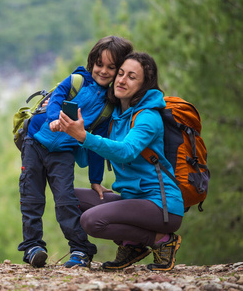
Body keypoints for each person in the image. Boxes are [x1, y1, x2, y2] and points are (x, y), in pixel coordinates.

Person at [57, 52, 184, 271]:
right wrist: (61, 114)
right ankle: (132, 244)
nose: (122, 80)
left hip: (161, 206)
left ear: (144, 84)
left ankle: (161, 240)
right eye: (121, 73)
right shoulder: (114, 113)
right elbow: (86, 155)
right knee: (68, 197)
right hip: (131, 200)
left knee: (91, 221)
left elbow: (126, 151)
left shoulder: (148, 117)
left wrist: (84, 136)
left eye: (132, 77)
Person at [18, 36, 133, 268]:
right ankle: (33, 247)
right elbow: (55, 100)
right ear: (92, 62)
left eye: (111, 67)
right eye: (99, 64)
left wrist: (95, 180)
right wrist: (52, 120)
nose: (103, 71)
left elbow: (95, 145)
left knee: (65, 201)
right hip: (35, 142)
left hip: (63, 152)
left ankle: (80, 250)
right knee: (31, 197)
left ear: (119, 70)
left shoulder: (108, 106)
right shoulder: (77, 80)